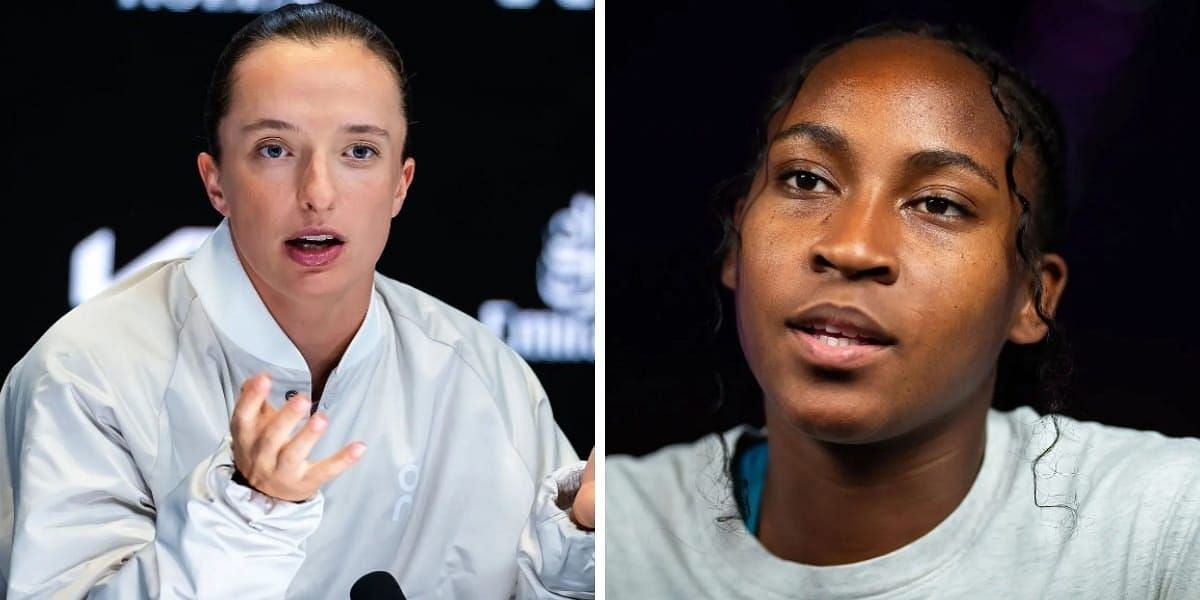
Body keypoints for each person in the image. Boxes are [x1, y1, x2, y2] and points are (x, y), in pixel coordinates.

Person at [0, 3, 594, 598]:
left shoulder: (485, 376)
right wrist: (245, 513)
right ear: (216, 181)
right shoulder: (86, 373)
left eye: (359, 152)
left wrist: (585, 543)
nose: (318, 193)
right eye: (274, 150)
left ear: (400, 185)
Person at [606, 20, 1199, 599]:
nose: (853, 247)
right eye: (807, 180)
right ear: (736, 243)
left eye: (939, 204)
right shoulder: (609, 536)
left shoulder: (1164, 526)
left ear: (1031, 297)